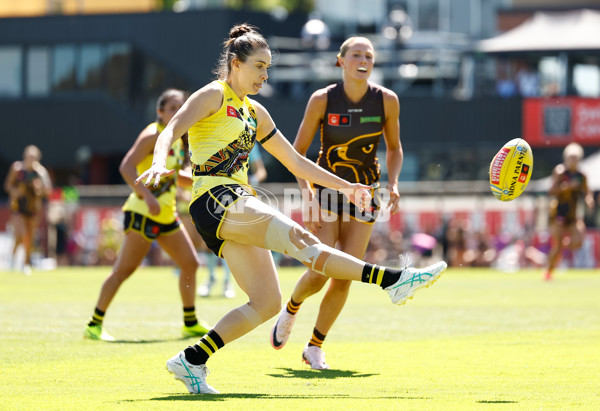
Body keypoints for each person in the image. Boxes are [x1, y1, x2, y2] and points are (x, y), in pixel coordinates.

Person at [136, 24, 447, 394]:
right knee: (301, 240)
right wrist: (158, 161)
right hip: (217, 199)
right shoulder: (213, 95)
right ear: (235, 64)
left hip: (233, 203)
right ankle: (392, 280)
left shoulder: (256, 112)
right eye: (258, 67)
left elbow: (297, 162)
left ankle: (192, 360)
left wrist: (348, 187)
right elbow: (170, 129)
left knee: (267, 303)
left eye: (268, 68)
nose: (264, 75)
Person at [268, 36, 403, 370]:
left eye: (369, 55)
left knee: (345, 276)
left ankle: (314, 347)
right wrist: (308, 194)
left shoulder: (387, 101)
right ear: (340, 61)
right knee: (319, 269)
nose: (363, 59)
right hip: (326, 192)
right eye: (356, 54)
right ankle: (292, 308)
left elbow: (395, 148)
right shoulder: (322, 99)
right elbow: (295, 154)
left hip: (366, 195)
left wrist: (394, 183)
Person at [83, 89, 210, 341]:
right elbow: (126, 167)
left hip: (166, 214)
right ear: (160, 112)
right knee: (124, 271)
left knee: (190, 263)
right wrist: (147, 196)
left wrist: (203, 180)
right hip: (144, 211)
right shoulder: (153, 134)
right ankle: (94, 325)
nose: (177, 111)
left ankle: (190, 322)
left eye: (181, 107)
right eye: (172, 107)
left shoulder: (176, 139)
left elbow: (174, 176)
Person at [544, 142, 594, 280]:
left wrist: (589, 200)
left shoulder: (581, 175)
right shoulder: (560, 172)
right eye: (571, 157)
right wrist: (567, 187)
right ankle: (548, 272)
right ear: (566, 157)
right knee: (557, 246)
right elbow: (551, 191)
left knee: (578, 242)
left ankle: (565, 244)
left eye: (576, 157)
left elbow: (587, 191)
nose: (573, 160)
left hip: (573, 215)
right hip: (559, 213)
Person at [4, 145, 53, 275]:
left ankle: (25, 263)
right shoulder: (17, 169)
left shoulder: (40, 173)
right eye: (29, 157)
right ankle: (13, 258)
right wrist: (16, 192)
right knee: (21, 234)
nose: (31, 160)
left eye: (34, 157)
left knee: (29, 236)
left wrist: (39, 188)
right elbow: (7, 185)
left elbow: (48, 191)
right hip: (18, 207)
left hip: (32, 208)